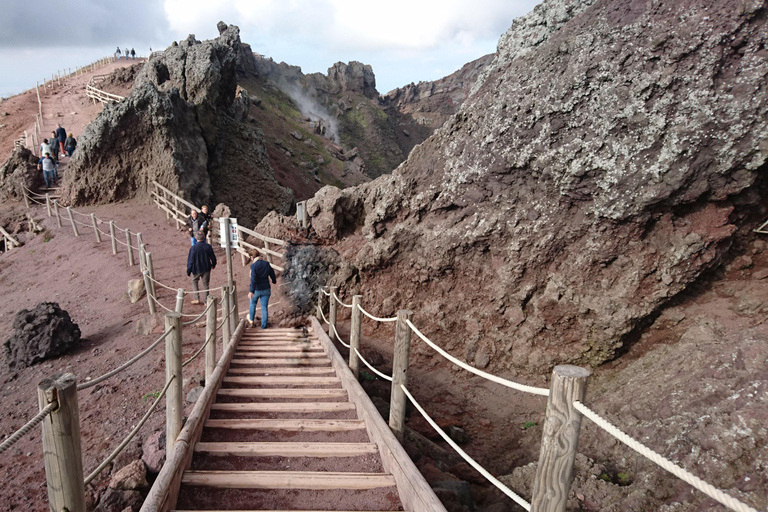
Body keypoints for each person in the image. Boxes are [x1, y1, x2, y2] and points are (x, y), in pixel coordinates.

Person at [186, 230, 217, 305]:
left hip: (196, 269)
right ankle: (206, 301)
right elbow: (213, 257)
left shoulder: (193, 248)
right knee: (205, 284)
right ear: (204, 237)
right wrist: (213, 264)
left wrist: (188, 270)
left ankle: (196, 298)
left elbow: (190, 260)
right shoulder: (208, 246)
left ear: (196, 238)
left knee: (194, 282)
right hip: (206, 268)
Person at [248, 253, 276, 329]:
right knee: (264, 307)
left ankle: (251, 321)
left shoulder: (253, 266)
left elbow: (253, 279)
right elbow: (272, 273)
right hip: (266, 289)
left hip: (256, 289)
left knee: (252, 304)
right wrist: (274, 280)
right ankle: (264, 326)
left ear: (252, 257)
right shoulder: (266, 264)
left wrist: (251, 291)